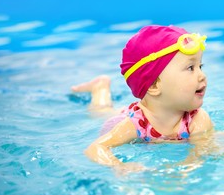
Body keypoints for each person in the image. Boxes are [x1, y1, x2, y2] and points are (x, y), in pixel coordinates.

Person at [72, 25, 214, 174]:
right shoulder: (135, 125)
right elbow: (95, 148)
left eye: (200, 66)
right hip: (122, 116)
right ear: (153, 85)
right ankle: (100, 87)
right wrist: (118, 165)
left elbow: (201, 152)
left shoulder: (197, 119)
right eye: (191, 67)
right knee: (101, 111)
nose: (202, 75)